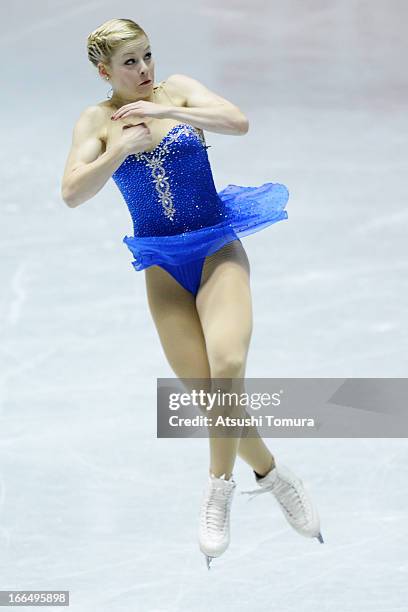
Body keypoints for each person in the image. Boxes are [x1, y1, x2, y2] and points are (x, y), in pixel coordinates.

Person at [61, 18, 323, 570]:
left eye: (147, 55)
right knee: (210, 397)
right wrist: (116, 150)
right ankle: (273, 475)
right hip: (162, 265)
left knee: (226, 365)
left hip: (216, 249)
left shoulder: (176, 91)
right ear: (104, 71)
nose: (144, 69)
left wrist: (166, 111)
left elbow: (238, 122)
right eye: (130, 62)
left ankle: (217, 489)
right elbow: (71, 192)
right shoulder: (96, 119)